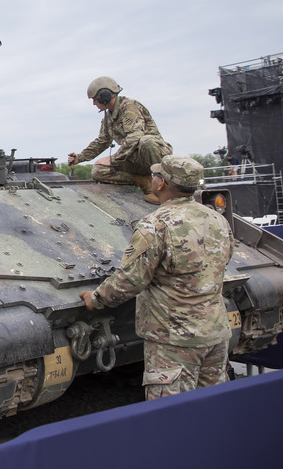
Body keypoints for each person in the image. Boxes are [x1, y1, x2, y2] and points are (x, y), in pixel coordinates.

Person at [78, 155, 234, 400]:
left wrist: (96, 299)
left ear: (161, 184)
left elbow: (131, 279)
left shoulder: (155, 225)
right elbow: (224, 259)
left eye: (155, 175)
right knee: (214, 407)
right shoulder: (217, 219)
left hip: (174, 341)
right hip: (215, 333)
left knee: (172, 417)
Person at [67, 76, 172, 204]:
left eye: (95, 99)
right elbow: (102, 141)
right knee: (98, 171)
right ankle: (144, 182)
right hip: (133, 159)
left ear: (104, 96)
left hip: (152, 155)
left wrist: (113, 160)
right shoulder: (108, 118)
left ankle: (166, 190)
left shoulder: (129, 107)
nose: (94, 103)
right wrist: (80, 157)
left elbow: (135, 138)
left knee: (147, 142)